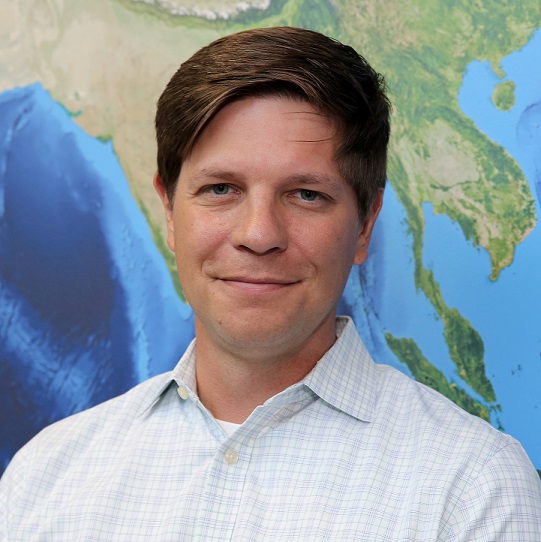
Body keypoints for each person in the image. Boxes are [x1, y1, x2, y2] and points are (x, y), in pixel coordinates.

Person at [1, 26, 540, 541]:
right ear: (168, 211)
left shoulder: (475, 490)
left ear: (364, 227)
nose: (259, 235)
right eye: (220, 189)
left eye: (306, 194)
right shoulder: (46, 476)